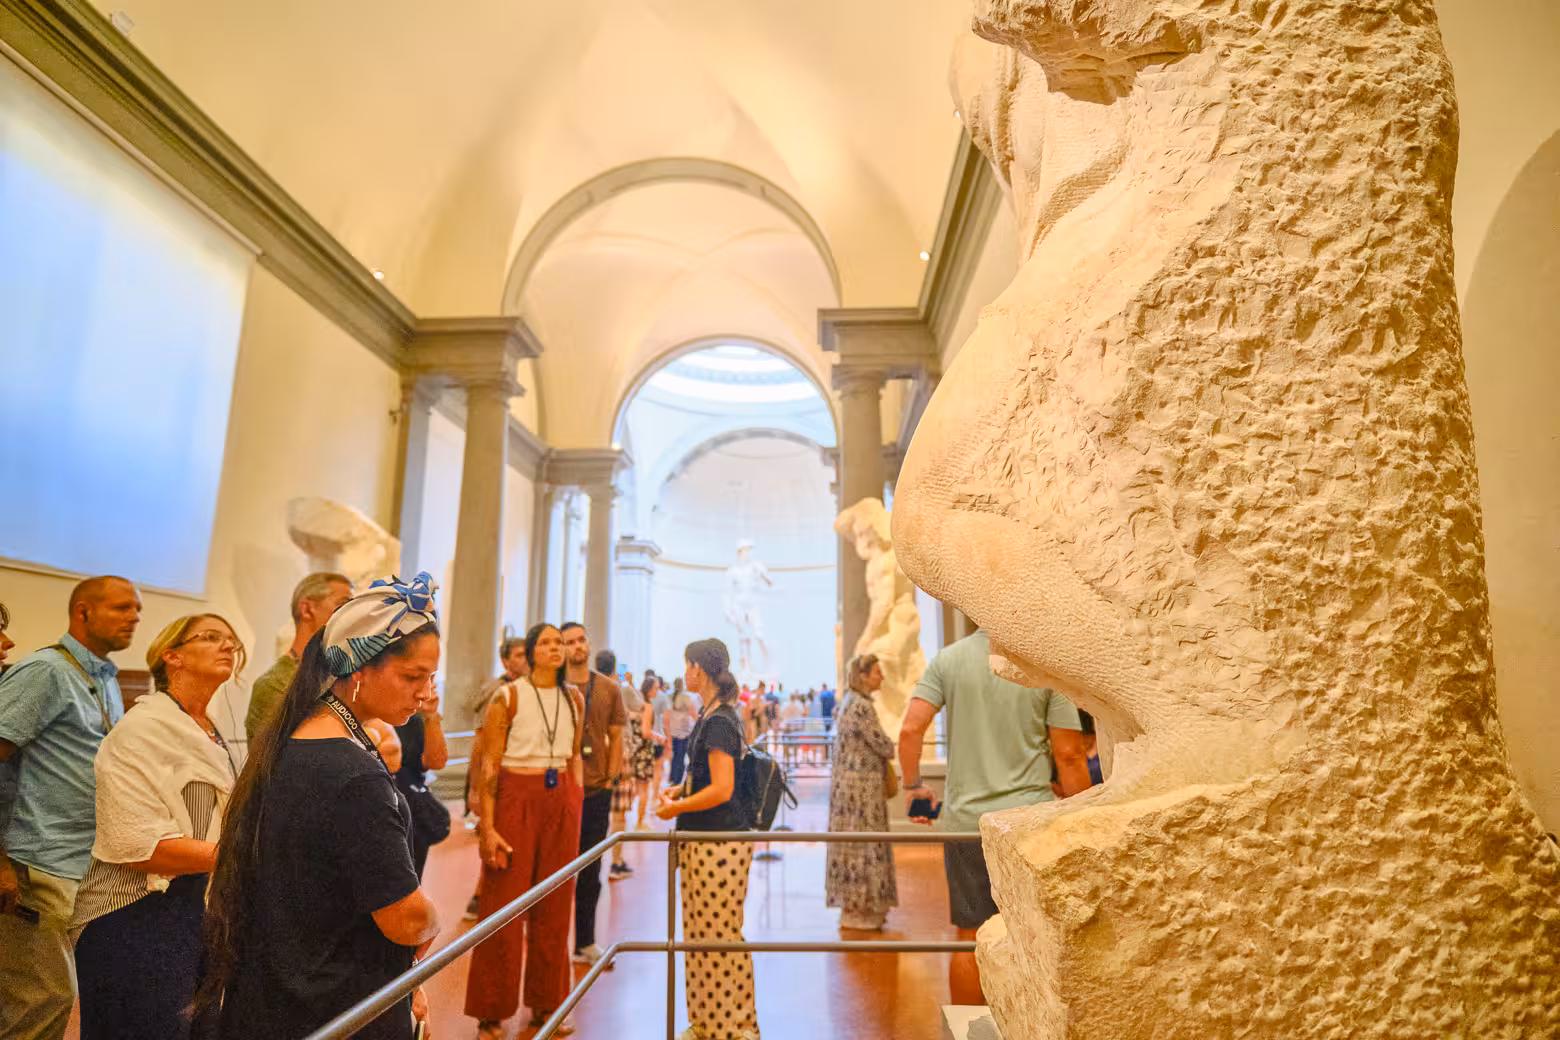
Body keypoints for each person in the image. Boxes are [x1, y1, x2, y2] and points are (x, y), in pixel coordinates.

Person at [196, 574, 442, 1040]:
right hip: (338, 1005)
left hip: (278, 993)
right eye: (413, 676)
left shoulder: (292, 741)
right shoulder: (353, 775)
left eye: (430, 677)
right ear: (360, 670)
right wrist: (433, 917)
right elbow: (404, 918)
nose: (426, 692)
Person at [897, 629, 1091, 1007]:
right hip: (1030, 826)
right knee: (1035, 937)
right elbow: (1069, 755)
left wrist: (913, 787)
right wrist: (1085, 818)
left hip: (968, 826)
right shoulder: (1043, 663)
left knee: (969, 936)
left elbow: (909, 728)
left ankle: (968, 1031)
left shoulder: (949, 659)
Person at [73, 613, 243, 1040]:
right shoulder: (143, 730)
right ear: (172, 656)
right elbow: (139, 847)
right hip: (134, 916)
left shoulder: (207, 730)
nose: (228, 646)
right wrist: (247, 856)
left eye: (231, 640)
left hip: (195, 908)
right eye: (211, 637)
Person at [0, 575, 141, 1040]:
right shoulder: (47, 671)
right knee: (41, 1001)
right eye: (122, 608)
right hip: (38, 860)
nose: (134, 617)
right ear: (83, 612)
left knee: (57, 997)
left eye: (136, 609)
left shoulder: (106, 679)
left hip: (80, 861)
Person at [466, 623, 584, 1039]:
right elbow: (489, 765)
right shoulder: (508, 695)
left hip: (561, 798)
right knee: (504, 904)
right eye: (548, 643)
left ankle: (547, 1005)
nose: (557, 649)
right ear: (532, 651)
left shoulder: (574, 698)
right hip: (516, 795)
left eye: (560, 644)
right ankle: (491, 1012)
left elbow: (573, 756)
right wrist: (487, 826)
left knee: (556, 904)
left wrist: (576, 800)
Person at [655, 638, 758, 1040]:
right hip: (705, 839)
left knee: (718, 936)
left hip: (720, 842)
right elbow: (704, 779)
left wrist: (676, 808)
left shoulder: (718, 720)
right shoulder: (713, 713)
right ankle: (710, 1023)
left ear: (699, 668)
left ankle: (731, 1028)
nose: (685, 671)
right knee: (700, 936)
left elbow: (722, 789)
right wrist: (679, 793)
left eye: (687, 664)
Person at [561, 622, 625, 967]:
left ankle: (584, 942)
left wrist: (612, 778)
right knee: (555, 870)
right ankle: (553, 944)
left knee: (590, 867)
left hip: (596, 789)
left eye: (581, 639)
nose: (577, 646)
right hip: (558, 791)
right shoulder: (552, 687)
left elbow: (616, 737)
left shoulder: (608, 689)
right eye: (569, 641)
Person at [826, 653, 898, 931]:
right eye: (877, 672)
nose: (881, 676)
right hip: (862, 792)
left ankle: (855, 906)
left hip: (850, 791)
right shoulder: (862, 707)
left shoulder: (849, 703)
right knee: (865, 849)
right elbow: (883, 745)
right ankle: (863, 907)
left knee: (853, 848)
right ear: (864, 675)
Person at [464, 636, 531, 919]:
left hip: (521, 779)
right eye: (517, 655)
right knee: (493, 836)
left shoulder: (531, 691)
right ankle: (480, 896)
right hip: (496, 779)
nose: (524, 659)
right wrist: (476, 789)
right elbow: (481, 744)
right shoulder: (497, 691)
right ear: (505, 660)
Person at [244, 572, 352, 740]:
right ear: (307, 610)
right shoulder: (273, 684)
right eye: (342, 606)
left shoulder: (344, 675)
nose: (350, 616)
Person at [392, 682, 450, 878]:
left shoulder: (414, 719)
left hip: (411, 809)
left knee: (411, 878)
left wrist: (432, 715)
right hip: (378, 808)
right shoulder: (368, 715)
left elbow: (437, 761)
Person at [601, 649, 641, 879]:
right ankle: (615, 863)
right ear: (615, 668)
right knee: (618, 814)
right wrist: (630, 683)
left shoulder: (592, 688)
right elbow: (641, 706)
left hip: (596, 754)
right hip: (620, 754)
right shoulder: (621, 690)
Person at [634, 675, 666, 832]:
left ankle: (639, 820)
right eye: (655, 688)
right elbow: (645, 731)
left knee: (639, 787)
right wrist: (659, 736)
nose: (657, 691)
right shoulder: (647, 706)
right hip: (644, 750)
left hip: (636, 749)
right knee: (643, 789)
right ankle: (640, 822)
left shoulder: (637, 703)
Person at [662, 677, 699, 785]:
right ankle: (678, 781)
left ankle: (672, 779)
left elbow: (666, 718)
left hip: (672, 731)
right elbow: (693, 713)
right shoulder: (686, 697)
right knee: (681, 757)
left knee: (674, 757)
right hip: (684, 731)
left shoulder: (668, 696)